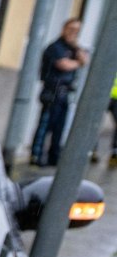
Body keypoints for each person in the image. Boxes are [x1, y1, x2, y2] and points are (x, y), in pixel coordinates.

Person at [33, 18, 89, 167]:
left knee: (59, 127)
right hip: (52, 92)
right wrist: (78, 63)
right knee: (45, 126)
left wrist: (76, 47)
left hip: (65, 93)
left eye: (77, 31)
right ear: (64, 28)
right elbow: (64, 65)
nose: (73, 33)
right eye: (71, 29)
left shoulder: (73, 49)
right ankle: (36, 156)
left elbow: (85, 59)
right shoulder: (55, 47)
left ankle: (54, 157)